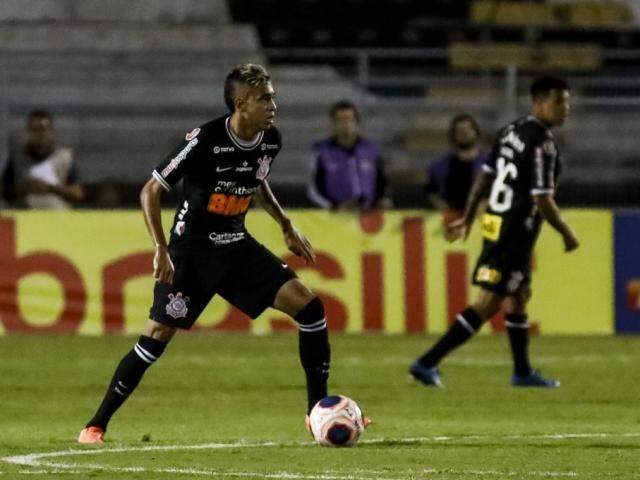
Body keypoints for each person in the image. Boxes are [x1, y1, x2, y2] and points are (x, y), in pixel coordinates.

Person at [78, 64, 332, 444]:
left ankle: (317, 414)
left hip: (236, 244)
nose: (273, 104)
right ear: (241, 102)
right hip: (193, 251)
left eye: (273, 96)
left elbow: (257, 181)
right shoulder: (204, 140)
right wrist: (161, 249)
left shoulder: (270, 139)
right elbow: (151, 189)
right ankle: (95, 425)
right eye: (266, 98)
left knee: (310, 308)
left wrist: (285, 223)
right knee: (158, 334)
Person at [409, 76, 579, 388]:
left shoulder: (510, 131)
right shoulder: (542, 143)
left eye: (567, 102)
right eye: (559, 102)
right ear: (539, 102)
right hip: (514, 229)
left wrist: (470, 217)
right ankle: (426, 361)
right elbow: (542, 198)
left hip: (495, 221)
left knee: (518, 295)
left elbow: (485, 177)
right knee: (488, 303)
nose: (565, 109)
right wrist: (567, 233)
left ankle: (522, 372)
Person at [307, 101, 392, 211]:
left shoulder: (371, 149)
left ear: (356, 123)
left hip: (368, 217)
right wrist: (334, 207)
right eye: (340, 120)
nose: (345, 125)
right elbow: (313, 190)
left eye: (349, 120)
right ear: (333, 124)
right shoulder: (321, 151)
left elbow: (382, 182)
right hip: (336, 218)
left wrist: (384, 199)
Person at [1, 110, 84, 208]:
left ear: (51, 131)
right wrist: (25, 189)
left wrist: (50, 188)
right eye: (34, 129)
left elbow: (78, 194)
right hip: (24, 209)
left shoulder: (65, 157)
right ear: (27, 131)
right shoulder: (17, 158)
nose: (39, 134)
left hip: (55, 211)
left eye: (43, 129)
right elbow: (5, 191)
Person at [425, 114, 488, 227]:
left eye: (468, 129)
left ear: (476, 132)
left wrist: (486, 204)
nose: (464, 133)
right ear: (453, 135)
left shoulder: (490, 164)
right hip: (450, 223)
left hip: (482, 222)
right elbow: (430, 193)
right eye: (460, 130)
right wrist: (441, 205)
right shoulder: (439, 167)